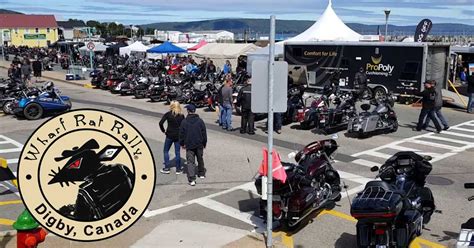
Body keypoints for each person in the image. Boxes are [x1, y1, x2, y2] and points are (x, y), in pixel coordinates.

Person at [179, 104, 207, 186]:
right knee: (200, 158)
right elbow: (204, 133)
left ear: (188, 111)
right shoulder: (200, 121)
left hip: (189, 144)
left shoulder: (184, 122)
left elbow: (181, 134)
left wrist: (182, 143)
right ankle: (201, 173)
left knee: (190, 161)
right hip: (199, 144)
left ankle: (192, 179)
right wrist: (204, 143)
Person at [159, 101, 185, 175]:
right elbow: (184, 126)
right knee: (177, 152)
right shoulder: (181, 115)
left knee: (166, 151)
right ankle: (178, 169)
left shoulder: (168, 114)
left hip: (169, 134)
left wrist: (163, 130)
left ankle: (167, 168)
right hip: (178, 135)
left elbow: (160, 123)